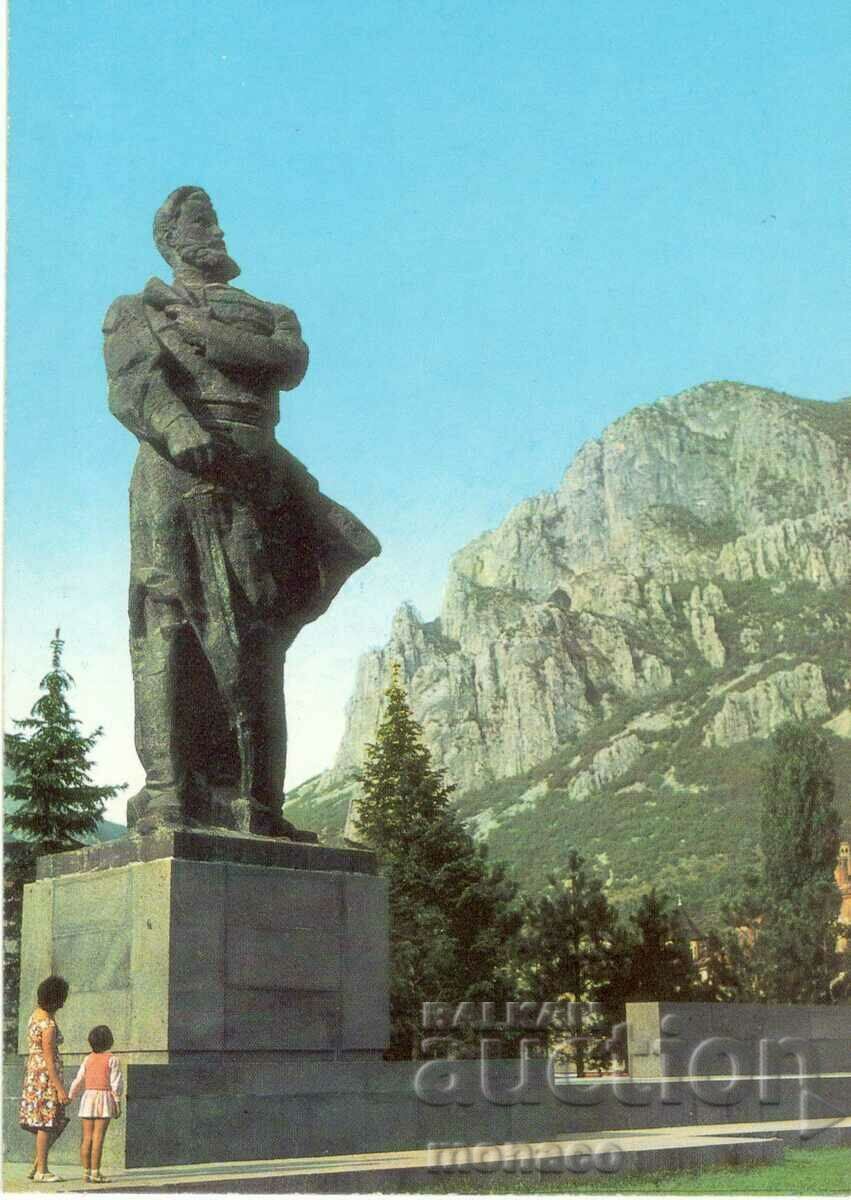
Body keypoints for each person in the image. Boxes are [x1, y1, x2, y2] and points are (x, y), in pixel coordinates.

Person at [104, 186, 380, 837]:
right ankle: (171, 790)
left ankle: (256, 800)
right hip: (177, 480)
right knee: (171, 626)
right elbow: (133, 384)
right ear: (170, 241)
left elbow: (287, 363)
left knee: (254, 641)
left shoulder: (272, 313)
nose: (219, 232)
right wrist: (177, 428)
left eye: (217, 220)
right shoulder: (133, 310)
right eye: (202, 223)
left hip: (258, 486)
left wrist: (195, 328)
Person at [19, 974, 70, 1183]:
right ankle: (42, 1169)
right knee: (47, 1123)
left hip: (34, 1074)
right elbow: (49, 1058)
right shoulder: (48, 1024)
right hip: (46, 1078)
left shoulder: (34, 1017)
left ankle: (38, 1164)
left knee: (47, 1122)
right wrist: (60, 1088)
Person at [68, 1025, 123, 1184]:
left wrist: (71, 1095)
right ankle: (95, 1172)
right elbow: (115, 1083)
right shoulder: (112, 1059)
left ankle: (85, 1172)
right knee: (98, 1138)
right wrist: (117, 1102)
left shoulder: (87, 1059)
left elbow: (78, 1079)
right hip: (104, 1098)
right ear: (109, 1042)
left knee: (86, 1138)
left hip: (88, 1097)